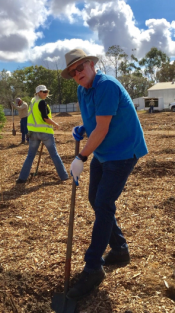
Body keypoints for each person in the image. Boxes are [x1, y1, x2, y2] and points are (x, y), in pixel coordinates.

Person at [61, 49, 148, 300]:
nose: (78, 74)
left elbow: (102, 127)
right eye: (73, 71)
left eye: (81, 67)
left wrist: (81, 157)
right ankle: (120, 250)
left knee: (103, 203)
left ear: (91, 65)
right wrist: (82, 128)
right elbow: (94, 121)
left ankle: (93, 267)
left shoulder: (106, 85)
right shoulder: (82, 89)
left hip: (122, 152)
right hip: (103, 152)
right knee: (94, 200)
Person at [16, 85, 68, 183]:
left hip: (33, 134)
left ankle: (22, 178)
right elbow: (45, 118)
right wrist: (55, 124)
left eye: (46, 91)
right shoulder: (41, 102)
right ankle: (64, 176)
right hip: (45, 133)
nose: (45, 93)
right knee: (54, 155)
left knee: (30, 156)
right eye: (43, 91)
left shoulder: (32, 102)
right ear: (38, 92)